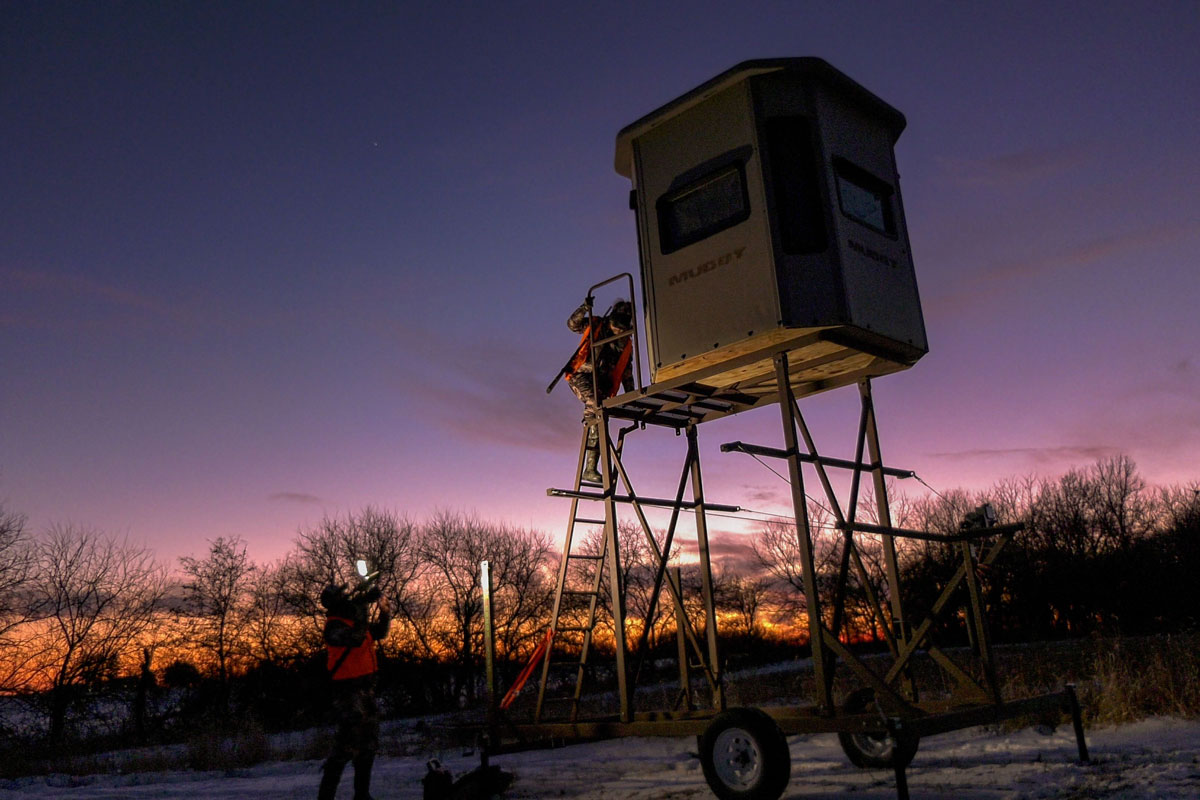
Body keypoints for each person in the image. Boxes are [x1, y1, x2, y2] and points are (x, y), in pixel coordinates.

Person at [317, 581, 391, 800]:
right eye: (343, 597)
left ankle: (362, 795)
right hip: (347, 693)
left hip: (366, 690)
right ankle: (326, 796)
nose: (348, 599)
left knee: (368, 745)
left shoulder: (352, 621)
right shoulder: (334, 626)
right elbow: (357, 639)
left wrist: (385, 612)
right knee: (345, 747)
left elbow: (379, 632)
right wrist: (363, 605)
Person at [563, 299, 635, 483]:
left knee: (597, 416)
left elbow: (627, 372)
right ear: (611, 320)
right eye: (615, 325)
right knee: (596, 406)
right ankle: (590, 468)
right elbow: (573, 324)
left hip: (602, 385)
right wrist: (584, 308)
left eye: (622, 327)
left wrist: (631, 395)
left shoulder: (625, 344)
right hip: (581, 376)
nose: (618, 330)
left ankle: (590, 468)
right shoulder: (596, 324)